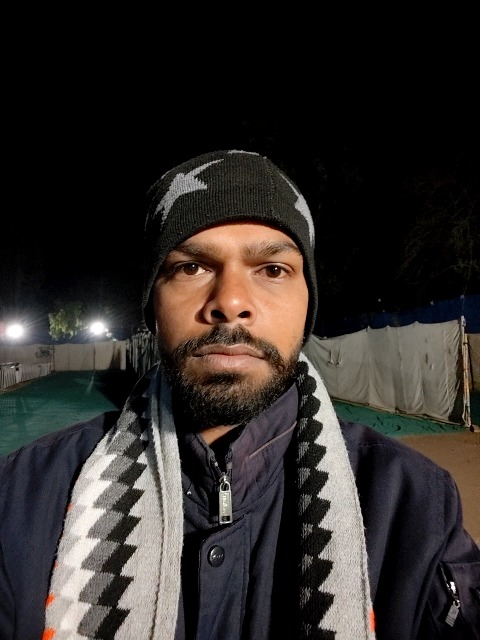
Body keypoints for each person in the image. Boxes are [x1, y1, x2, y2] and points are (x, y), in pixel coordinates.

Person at [0, 149, 478, 640]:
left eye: (272, 270)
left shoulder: (413, 504)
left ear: (308, 304)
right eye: (191, 267)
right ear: (152, 304)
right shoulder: (22, 499)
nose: (230, 302)